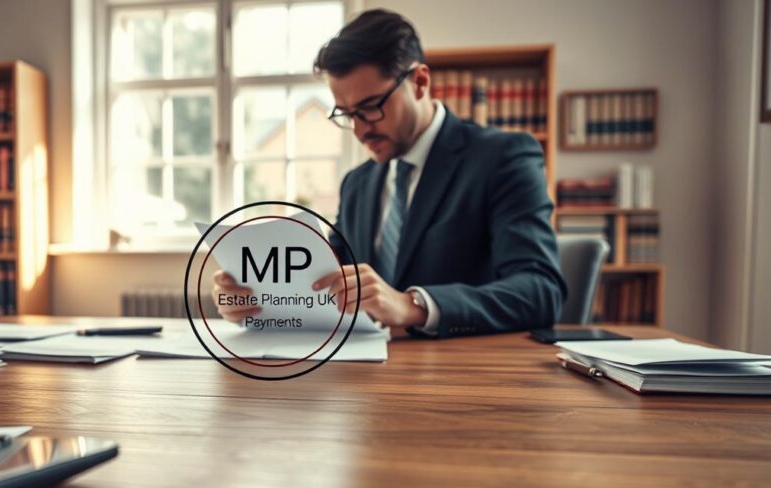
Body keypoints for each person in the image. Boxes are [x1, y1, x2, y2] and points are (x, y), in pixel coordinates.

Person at [213, 9, 566, 338]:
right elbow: (329, 282)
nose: (360, 130)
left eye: (370, 108)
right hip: (368, 381)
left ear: (420, 82)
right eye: (348, 114)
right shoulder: (358, 183)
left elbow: (539, 290)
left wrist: (412, 305)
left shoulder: (503, 157)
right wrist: (259, 299)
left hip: (468, 382)